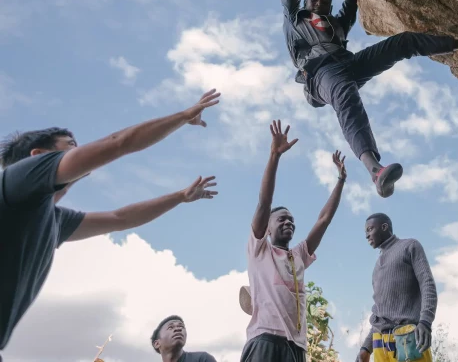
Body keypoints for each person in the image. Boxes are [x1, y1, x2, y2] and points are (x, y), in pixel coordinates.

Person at [0, 89, 221, 353]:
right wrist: (183, 116)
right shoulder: (17, 180)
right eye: (71, 146)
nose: (80, 152)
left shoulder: (54, 220)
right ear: (38, 156)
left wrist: (180, 197)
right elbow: (118, 143)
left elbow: (121, 218)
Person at [282, 0, 458, 198]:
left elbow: (350, 5)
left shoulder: (336, 26)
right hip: (319, 74)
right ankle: (375, 171)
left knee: (403, 42)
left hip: (348, 64)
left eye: (324, 0)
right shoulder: (295, 19)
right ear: (306, 2)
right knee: (346, 97)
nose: (319, 2)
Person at [241, 120, 346, 362]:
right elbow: (264, 202)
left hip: (296, 346)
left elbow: (323, 220)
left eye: (291, 220)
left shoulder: (298, 255)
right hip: (265, 339)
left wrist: (340, 180)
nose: (289, 222)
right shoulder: (260, 250)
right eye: (282, 219)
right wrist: (274, 156)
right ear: (267, 227)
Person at [356, 213, 437, 362]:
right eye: (365, 232)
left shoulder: (410, 246)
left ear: (384, 227)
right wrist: (366, 348)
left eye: (370, 229)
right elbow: (380, 311)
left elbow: (427, 284)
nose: (367, 235)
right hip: (380, 344)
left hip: (407, 340)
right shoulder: (376, 267)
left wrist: (425, 321)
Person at [151, 315, 217, 362]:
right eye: (170, 327)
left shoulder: (202, 359)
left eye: (181, 326)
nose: (178, 329)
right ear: (157, 343)